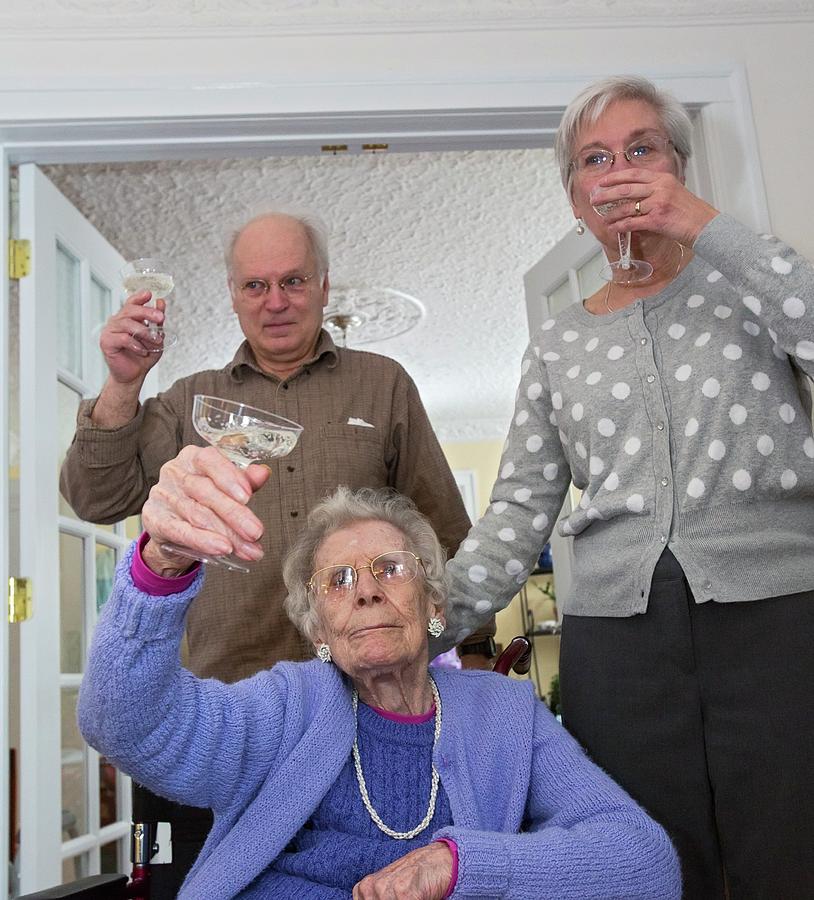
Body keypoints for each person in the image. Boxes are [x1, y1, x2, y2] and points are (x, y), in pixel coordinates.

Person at [436, 75, 814, 898]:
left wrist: (701, 226)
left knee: (794, 851)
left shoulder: (756, 285)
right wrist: (430, 618)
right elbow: (518, 509)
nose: (618, 171)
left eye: (641, 149)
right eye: (594, 160)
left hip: (780, 618)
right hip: (618, 642)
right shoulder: (556, 344)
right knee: (647, 865)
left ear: (679, 167)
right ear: (575, 201)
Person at [59, 208, 494, 894]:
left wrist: (475, 659)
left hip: (366, 716)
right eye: (256, 285)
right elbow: (92, 496)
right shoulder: (188, 401)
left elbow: (442, 533)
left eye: (292, 280)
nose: (276, 301)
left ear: (324, 285)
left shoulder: (383, 384)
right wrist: (121, 386)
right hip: (219, 722)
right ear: (231, 294)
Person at [77, 485, 681, 900]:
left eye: (390, 568)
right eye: (338, 581)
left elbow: (644, 862)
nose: (365, 591)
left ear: (434, 601)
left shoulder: (504, 714)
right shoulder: (289, 705)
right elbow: (125, 722)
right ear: (317, 628)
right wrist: (164, 563)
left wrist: (461, 864)